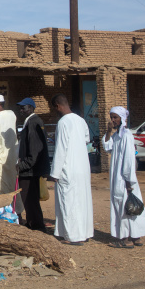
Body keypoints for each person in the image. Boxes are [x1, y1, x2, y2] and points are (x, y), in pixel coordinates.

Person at [48, 94, 93, 245]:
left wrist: (54, 173)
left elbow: (61, 149)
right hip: (83, 167)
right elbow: (87, 139)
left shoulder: (63, 122)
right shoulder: (81, 120)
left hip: (69, 168)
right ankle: (84, 233)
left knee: (69, 202)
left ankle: (72, 236)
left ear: (57, 106)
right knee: (82, 201)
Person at [102, 106, 145, 248]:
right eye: (111, 117)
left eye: (115, 117)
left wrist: (129, 181)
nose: (113, 120)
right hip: (120, 177)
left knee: (125, 206)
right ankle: (135, 236)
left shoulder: (127, 135)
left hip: (124, 178)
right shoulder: (117, 135)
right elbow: (107, 147)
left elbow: (129, 159)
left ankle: (126, 239)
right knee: (129, 206)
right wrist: (109, 131)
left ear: (122, 118)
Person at [0, 94, 24, 214]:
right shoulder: (12, 114)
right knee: (11, 183)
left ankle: (1, 211)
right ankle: (15, 210)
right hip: (11, 155)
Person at [16, 98, 50, 231]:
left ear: (30, 108)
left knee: (30, 200)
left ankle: (37, 226)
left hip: (30, 170)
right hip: (29, 168)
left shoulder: (33, 122)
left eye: (23, 108)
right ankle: (32, 223)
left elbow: (34, 149)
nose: (21, 110)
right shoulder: (30, 122)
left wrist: (23, 165)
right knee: (29, 199)